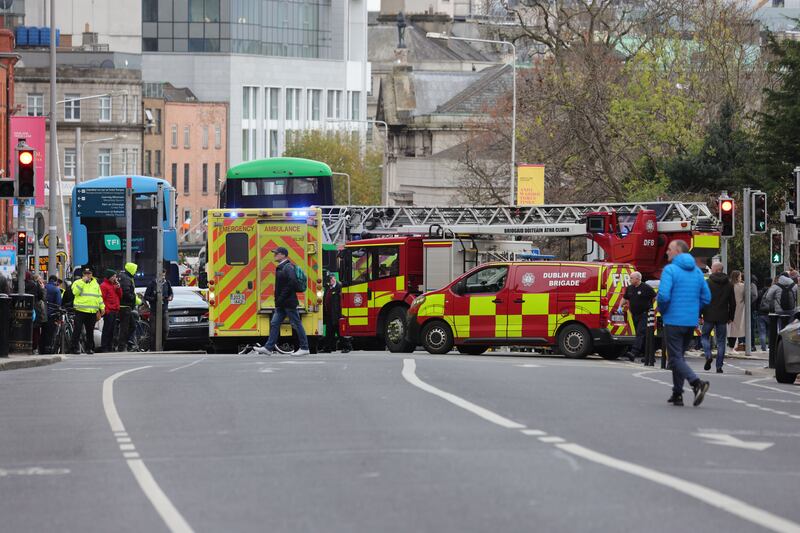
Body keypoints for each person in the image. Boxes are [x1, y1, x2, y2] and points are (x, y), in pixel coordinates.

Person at [656, 240, 711, 407]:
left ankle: (696, 383)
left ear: (678, 252)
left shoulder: (670, 270)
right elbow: (706, 298)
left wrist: (664, 311)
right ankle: (677, 393)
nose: (667, 252)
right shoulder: (697, 273)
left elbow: (664, 296)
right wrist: (694, 310)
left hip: (673, 320)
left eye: (670, 249)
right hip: (690, 322)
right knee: (679, 357)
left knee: (674, 358)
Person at [262, 246, 310, 356]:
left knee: (296, 324)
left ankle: (304, 347)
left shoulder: (287, 267)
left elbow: (292, 282)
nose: (274, 255)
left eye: (276, 253)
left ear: (283, 255)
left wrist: (281, 297)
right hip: (282, 303)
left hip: (288, 302)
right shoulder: (281, 267)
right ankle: (268, 348)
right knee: (274, 323)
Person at [701, 262, 735, 373]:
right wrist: (731, 316)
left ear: (715, 270)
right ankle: (719, 367)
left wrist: (699, 314)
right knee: (721, 341)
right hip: (723, 316)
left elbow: (702, 300)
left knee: (704, 336)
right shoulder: (729, 284)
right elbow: (733, 303)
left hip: (709, 315)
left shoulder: (707, 283)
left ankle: (708, 355)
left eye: (712, 267)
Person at [622, 271, 655, 362]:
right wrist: (619, 306)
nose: (630, 279)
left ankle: (634, 352)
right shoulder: (630, 288)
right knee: (641, 334)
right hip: (634, 315)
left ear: (637, 279)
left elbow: (654, 296)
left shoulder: (646, 288)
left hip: (644, 314)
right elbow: (625, 298)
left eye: (631, 278)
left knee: (640, 333)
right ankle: (648, 355)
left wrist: (650, 306)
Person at [70, 268, 105, 354]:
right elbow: (75, 292)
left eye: (89, 273)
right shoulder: (77, 282)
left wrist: (102, 307)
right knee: (77, 330)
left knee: (90, 331)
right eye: (86, 273)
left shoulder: (95, 284)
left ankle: (89, 348)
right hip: (80, 310)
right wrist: (82, 282)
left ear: (92, 274)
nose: (87, 275)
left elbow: (98, 297)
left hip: (92, 311)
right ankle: (74, 348)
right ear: (83, 274)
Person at [321, 273, 351, 353]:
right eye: (328, 280)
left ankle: (347, 347)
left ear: (334, 279)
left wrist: (341, 314)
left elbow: (341, 301)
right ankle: (327, 348)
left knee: (340, 331)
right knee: (329, 332)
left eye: (330, 279)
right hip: (329, 314)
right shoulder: (328, 288)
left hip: (337, 314)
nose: (329, 282)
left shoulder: (339, 287)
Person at [145, 269, 173, 351]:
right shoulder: (152, 284)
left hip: (164, 310)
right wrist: (154, 299)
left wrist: (170, 297)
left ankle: (162, 346)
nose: (163, 277)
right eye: (161, 275)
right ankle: (153, 348)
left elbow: (170, 293)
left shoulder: (167, 283)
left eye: (164, 275)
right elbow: (146, 296)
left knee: (165, 329)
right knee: (153, 331)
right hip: (154, 310)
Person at [39, 275, 63, 354]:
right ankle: (48, 348)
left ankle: (41, 348)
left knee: (43, 332)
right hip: (51, 314)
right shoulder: (56, 290)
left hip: (42, 313)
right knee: (50, 332)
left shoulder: (43, 287)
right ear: (55, 281)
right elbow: (58, 303)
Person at [99, 270, 122, 353]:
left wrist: (118, 288)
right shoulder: (104, 286)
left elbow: (120, 296)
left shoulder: (114, 285)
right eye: (114, 276)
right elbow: (102, 299)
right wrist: (106, 310)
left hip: (115, 310)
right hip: (109, 311)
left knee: (112, 330)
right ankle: (104, 346)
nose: (115, 278)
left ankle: (110, 346)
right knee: (107, 329)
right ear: (109, 277)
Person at [117, 262, 138, 351]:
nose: (136, 271)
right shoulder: (126, 279)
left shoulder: (126, 277)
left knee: (131, 325)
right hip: (125, 306)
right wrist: (133, 297)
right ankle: (122, 345)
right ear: (131, 269)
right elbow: (126, 292)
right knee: (125, 327)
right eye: (135, 270)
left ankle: (127, 343)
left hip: (126, 306)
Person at [726, 270, 746, 351]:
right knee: (736, 329)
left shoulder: (729, 285)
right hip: (739, 308)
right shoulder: (742, 286)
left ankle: (731, 347)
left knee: (730, 328)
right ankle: (732, 347)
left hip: (728, 308)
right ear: (738, 277)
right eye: (740, 276)